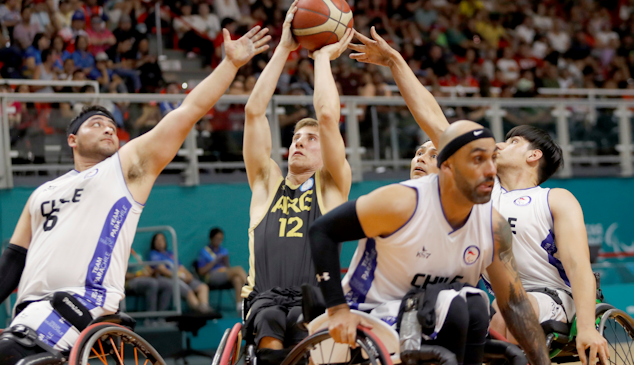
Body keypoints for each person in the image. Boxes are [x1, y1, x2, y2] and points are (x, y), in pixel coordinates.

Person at [0, 25, 271, 365]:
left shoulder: (124, 169)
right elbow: (14, 255)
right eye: (95, 124)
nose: (108, 127)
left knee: (10, 353)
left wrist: (229, 65)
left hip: (82, 301)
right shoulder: (42, 193)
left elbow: (188, 111)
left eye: (110, 125)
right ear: (72, 140)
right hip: (30, 312)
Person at [347, 26, 609, 365]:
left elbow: (578, 267)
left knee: (507, 312)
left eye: (514, 142)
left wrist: (587, 327)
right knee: (480, 313)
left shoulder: (555, 198)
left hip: (553, 297)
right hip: (503, 297)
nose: (500, 144)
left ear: (534, 157)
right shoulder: (484, 194)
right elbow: (435, 122)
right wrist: (396, 62)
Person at [310, 120, 550, 365]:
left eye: (492, 159)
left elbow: (515, 302)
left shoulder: (493, 225)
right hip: (371, 314)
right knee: (456, 305)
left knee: (475, 304)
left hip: (439, 314)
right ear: (448, 167)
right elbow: (322, 230)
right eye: (478, 160)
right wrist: (337, 308)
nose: (491, 170)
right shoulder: (401, 202)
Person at [241, 0, 354, 361]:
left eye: (311, 140)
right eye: (295, 139)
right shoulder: (266, 183)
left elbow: (326, 114)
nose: (300, 143)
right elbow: (254, 111)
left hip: (317, 302)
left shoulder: (332, 185)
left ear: (328, 152)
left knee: (306, 334)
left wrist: (322, 59)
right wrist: (285, 49)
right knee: (272, 321)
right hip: (266, 300)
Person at [149, 233, 214, 314]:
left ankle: (204, 306)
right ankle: (200, 311)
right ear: (153, 243)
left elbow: (181, 267)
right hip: (170, 279)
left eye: (162, 240)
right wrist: (179, 276)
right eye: (157, 240)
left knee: (203, 287)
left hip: (181, 277)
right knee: (189, 292)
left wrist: (188, 275)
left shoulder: (170, 254)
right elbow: (162, 270)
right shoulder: (154, 254)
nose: (160, 242)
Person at [195, 227, 247, 313]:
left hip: (224, 274)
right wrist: (213, 262)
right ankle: (252, 291)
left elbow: (228, 268)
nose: (219, 241)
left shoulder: (223, 251)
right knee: (239, 269)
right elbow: (201, 272)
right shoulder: (204, 252)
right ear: (211, 238)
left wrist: (225, 261)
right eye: (217, 238)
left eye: (221, 239)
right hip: (211, 276)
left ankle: (240, 307)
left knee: (237, 279)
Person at [125, 249, 173, 314]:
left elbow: (145, 266)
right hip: (129, 282)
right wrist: (138, 275)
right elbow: (122, 275)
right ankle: (150, 319)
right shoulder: (119, 254)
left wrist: (150, 272)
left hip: (145, 278)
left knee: (167, 284)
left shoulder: (135, 253)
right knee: (152, 283)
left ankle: (161, 317)